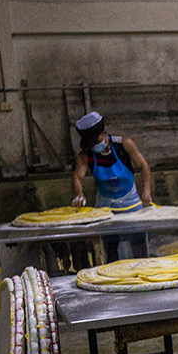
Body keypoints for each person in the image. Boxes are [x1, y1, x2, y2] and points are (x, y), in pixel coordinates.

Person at [72, 111, 151, 262]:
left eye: (96, 141)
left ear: (105, 133)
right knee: (110, 249)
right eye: (91, 144)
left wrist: (146, 191)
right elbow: (77, 176)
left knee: (139, 247)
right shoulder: (86, 155)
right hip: (105, 208)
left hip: (131, 203)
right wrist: (79, 194)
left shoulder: (123, 144)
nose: (94, 146)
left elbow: (144, 166)